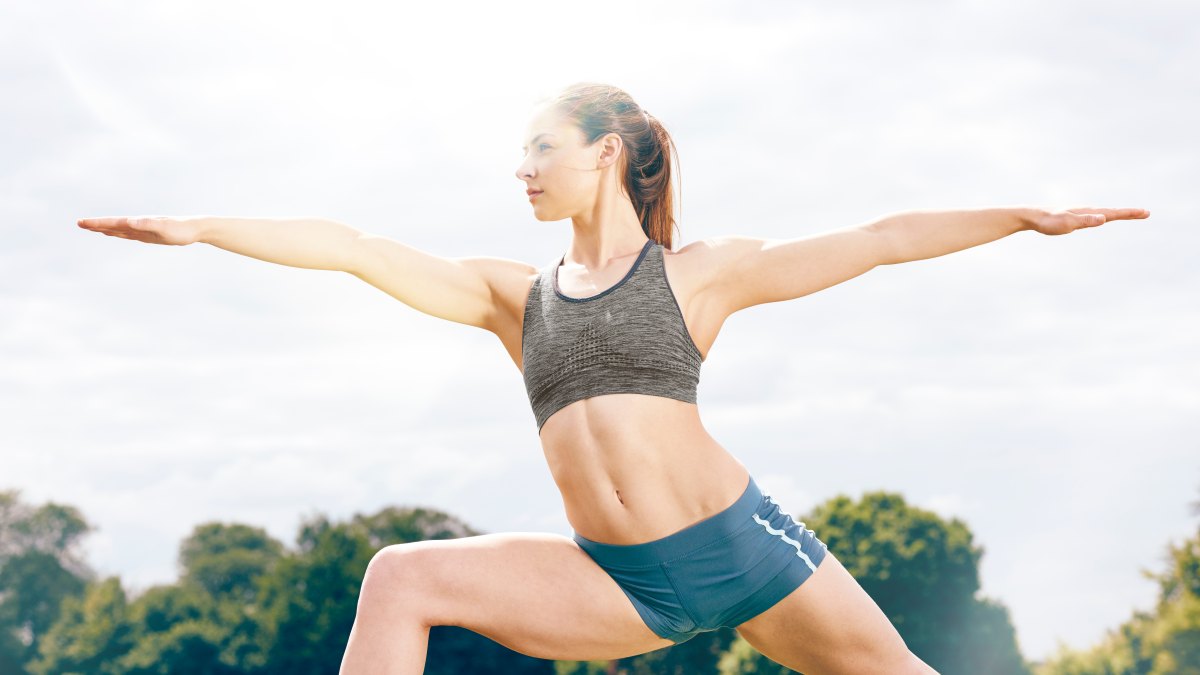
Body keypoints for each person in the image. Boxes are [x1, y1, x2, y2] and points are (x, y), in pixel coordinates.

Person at [77, 82, 1150, 675]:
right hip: (620, 581)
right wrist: (206, 228)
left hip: (743, 545)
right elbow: (355, 246)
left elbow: (881, 238)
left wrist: (1028, 216)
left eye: (541, 146)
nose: (523, 167)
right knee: (400, 578)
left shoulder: (700, 277)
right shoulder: (512, 296)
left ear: (607, 152)